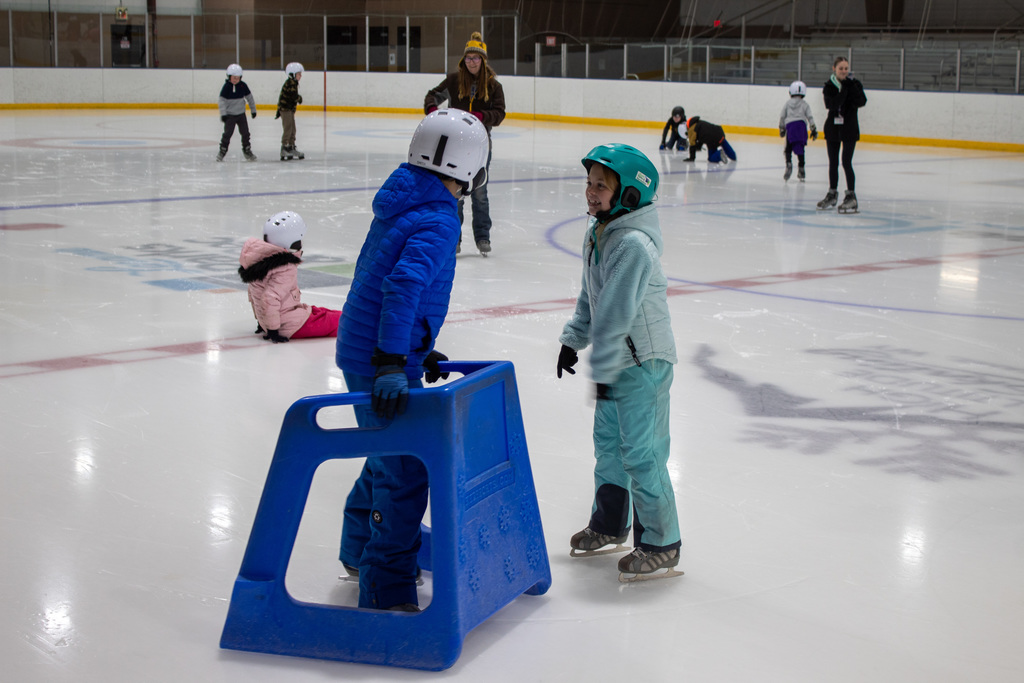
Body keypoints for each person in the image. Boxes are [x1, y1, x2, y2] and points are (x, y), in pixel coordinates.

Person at [335, 109, 490, 611]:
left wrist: (412, 348)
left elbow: (378, 277)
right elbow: (402, 286)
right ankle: (386, 588)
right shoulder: (441, 218)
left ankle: (359, 548)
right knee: (406, 470)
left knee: (389, 452)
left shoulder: (405, 198)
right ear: (472, 168)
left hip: (370, 345)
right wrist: (390, 360)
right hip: (379, 356)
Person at [556, 143, 682, 583]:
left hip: (643, 363)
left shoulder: (633, 244)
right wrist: (573, 340)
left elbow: (614, 311)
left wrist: (602, 363)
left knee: (641, 454)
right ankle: (610, 524)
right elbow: (592, 295)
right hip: (616, 361)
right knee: (608, 446)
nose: (590, 192)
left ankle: (661, 541)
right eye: (589, 182)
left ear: (628, 194)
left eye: (601, 185)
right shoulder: (602, 233)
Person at [423, 32, 506, 256]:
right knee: (454, 192)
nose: (472, 62)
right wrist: (433, 112)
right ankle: (454, 238)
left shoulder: (493, 86)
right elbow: (432, 96)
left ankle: (482, 237)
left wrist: (481, 116)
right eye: (468, 58)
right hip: (455, 145)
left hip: (480, 144)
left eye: (476, 58)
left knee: (480, 192)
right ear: (464, 60)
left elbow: (499, 114)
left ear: (483, 60)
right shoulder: (453, 81)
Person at [237, 211, 341, 342]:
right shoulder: (284, 267)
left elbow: (254, 294)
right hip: (289, 325)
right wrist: (273, 330)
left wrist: (262, 321)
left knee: (326, 313)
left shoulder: (258, 261)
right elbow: (270, 298)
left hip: (283, 317)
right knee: (344, 323)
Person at [817, 56, 867, 213]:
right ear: (834, 69)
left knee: (846, 161)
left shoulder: (855, 84)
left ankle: (851, 196)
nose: (844, 71)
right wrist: (844, 89)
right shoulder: (829, 87)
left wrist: (849, 87)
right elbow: (832, 105)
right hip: (833, 128)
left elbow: (861, 101)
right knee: (833, 162)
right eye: (841, 68)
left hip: (849, 129)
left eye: (846, 68)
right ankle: (832, 193)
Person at [217, 63, 257, 162]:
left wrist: (253, 110)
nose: (235, 80)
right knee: (227, 134)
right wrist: (223, 114)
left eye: (237, 78)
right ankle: (222, 150)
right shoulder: (226, 87)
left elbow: (250, 98)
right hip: (230, 116)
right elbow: (222, 101)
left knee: (245, 133)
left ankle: (247, 150)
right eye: (233, 78)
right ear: (229, 77)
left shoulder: (243, 86)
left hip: (241, 115)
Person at [779, 80, 817, 182]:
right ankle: (801, 168)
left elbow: (782, 116)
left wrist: (781, 128)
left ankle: (789, 163)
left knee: (788, 148)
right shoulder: (805, 104)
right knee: (800, 148)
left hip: (790, 127)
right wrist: (813, 128)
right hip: (801, 127)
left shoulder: (787, 104)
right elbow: (810, 116)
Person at [275, 62, 305, 161]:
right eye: (299, 74)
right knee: (288, 128)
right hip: (285, 109)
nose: (300, 76)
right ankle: (284, 147)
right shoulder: (291, 83)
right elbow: (293, 96)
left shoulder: (293, 83)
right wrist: (299, 98)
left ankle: (291, 147)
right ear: (292, 74)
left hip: (289, 109)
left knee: (292, 128)